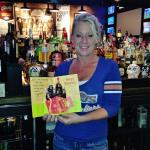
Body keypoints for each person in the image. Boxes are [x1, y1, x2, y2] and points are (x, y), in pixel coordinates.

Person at [43, 13, 122, 150]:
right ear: (72, 38)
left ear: (97, 38)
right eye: (79, 35)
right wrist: (50, 113)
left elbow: (112, 107)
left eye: (90, 35)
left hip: (94, 143)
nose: (84, 41)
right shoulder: (62, 68)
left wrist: (80, 119)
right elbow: (55, 103)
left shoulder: (109, 67)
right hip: (62, 140)